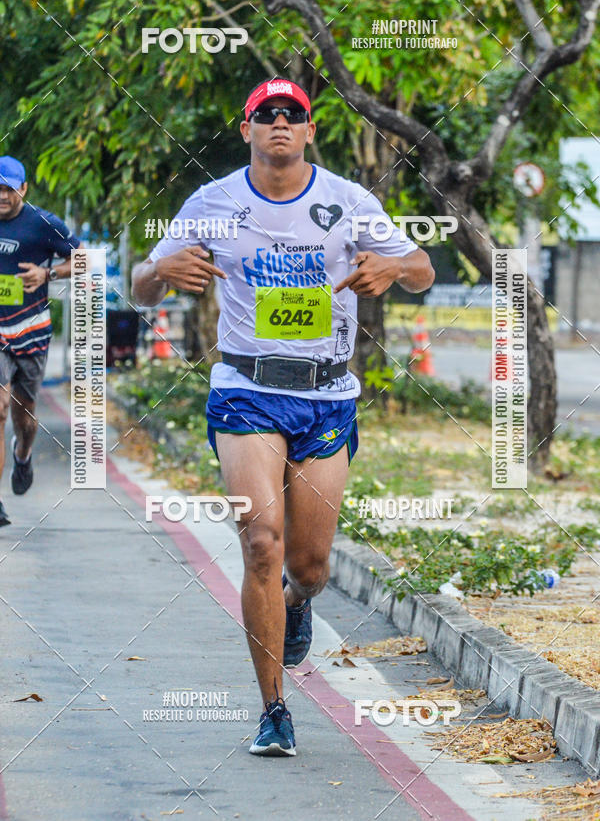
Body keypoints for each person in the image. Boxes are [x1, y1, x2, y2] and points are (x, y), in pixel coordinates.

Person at [132, 78, 434, 756]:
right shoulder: (212, 204)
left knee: (311, 564)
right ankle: (274, 709)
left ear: (308, 130)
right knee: (260, 539)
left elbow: (421, 267)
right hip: (245, 389)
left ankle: (298, 603)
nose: (277, 125)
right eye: (264, 115)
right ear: (245, 130)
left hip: (326, 397)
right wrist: (161, 272)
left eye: (290, 116)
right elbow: (141, 281)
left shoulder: (347, 201)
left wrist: (391, 268)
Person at [0, 156, 80, 526]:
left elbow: (85, 261)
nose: (2, 195)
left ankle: (23, 454)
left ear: (23, 189)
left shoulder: (44, 224)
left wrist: (47, 273)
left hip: (31, 329)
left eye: (9, 188)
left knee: (23, 414)